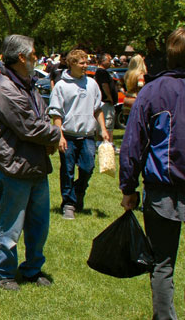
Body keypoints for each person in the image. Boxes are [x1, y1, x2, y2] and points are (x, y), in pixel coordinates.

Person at [0, 35, 61, 291]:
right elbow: (29, 126)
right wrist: (57, 134)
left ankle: (32, 269)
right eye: (33, 54)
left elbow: (40, 116)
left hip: (35, 165)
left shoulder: (29, 84)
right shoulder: (5, 88)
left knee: (39, 224)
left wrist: (48, 135)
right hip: (13, 166)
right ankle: (4, 272)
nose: (36, 58)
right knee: (11, 224)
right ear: (20, 57)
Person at [119, 27, 185, 319]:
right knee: (162, 263)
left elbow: (133, 144)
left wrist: (128, 188)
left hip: (164, 190)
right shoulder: (154, 91)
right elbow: (134, 143)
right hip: (164, 190)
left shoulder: (153, 92)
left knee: (162, 264)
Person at [46, 49, 109, 220]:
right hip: (68, 135)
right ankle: (68, 204)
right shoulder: (61, 85)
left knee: (88, 168)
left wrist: (102, 129)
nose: (85, 65)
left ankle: (77, 194)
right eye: (81, 63)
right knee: (67, 170)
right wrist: (59, 136)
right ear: (71, 64)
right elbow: (56, 113)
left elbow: (97, 109)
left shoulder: (92, 84)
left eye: (86, 62)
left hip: (87, 135)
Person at [94, 52, 117, 145]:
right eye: (108, 60)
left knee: (102, 124)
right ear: (102, 61)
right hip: (106, 103)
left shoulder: (99, 72)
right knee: (108, 123)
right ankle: (108, 143)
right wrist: (109, 97)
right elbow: (104, 85)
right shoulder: (102, 72)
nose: (110, 62)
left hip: (102, 102)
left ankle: (100, 143)